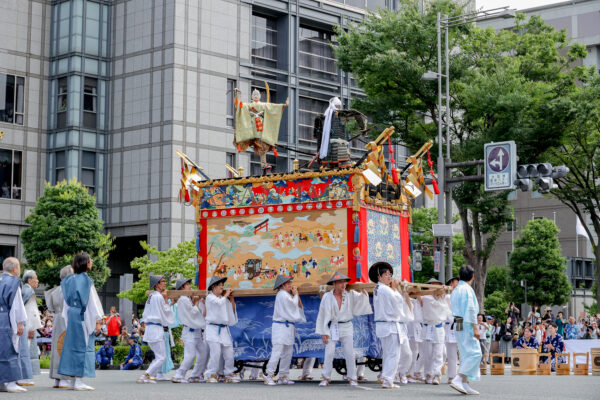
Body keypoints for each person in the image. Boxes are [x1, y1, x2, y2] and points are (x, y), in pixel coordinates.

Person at [315, 272, 371, 387]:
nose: (343, 284)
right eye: (340, 282)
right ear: (334, 284)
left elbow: (362, 297)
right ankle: (326, 377)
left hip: (347, 325)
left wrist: (362, 290)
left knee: (349, 353)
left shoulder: (350, 294)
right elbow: (322, 314)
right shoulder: (327, 296)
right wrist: (323, 332)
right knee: (329, 352)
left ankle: (352, 377)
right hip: (333, 326)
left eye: (344, 282)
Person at [57, 252, 104, 391]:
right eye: (90, 260)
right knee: (82, 346)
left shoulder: (69, 280)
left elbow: (66, 302)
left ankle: (72, 380)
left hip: (72, 313)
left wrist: (68, 316)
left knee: (71, 346)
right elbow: (92, 302)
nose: (92, 262)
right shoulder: (86, 280)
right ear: (86, 263)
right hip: (82, 315)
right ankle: (78, 380)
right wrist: (97, 320)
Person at [369, 262, 413, 389]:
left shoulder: (378, 288)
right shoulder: (384, 289)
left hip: (384, 326)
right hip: (390, 325)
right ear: (379, 277)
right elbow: (397, 302)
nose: (389, 277)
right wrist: (395, 289)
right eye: (386, 274)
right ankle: (388, 379)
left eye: (390, 274)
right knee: (393, 354)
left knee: (388, 353)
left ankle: (385, 377)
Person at [264, 275, 306, 386]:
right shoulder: (282, 294)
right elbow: (293, 304)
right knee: (277, 352)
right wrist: (296, 294)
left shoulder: (286, 295)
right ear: (282, 285)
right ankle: (269, 375)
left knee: (287, 352)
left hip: (288, 327)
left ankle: (284, 375)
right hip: (280, 327)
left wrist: (295, 295)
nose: (290, 285)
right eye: (288, 283)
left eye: (290, 283)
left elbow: (296, 305)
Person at [449, 265, 482, 396]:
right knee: (475, 353)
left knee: (465, 353)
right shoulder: (467, 289)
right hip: (466, 322)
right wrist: (475, 327)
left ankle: (465, 382)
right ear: (472, 277)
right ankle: (459, 378)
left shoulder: (456, 289)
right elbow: (471, 309)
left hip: (458, 322)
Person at [137, 275, 175, 384]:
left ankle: (154, 374)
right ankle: (146, 375)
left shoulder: (152, 296)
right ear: (157, 284)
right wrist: (166, 300)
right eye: (163, 281)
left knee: (159, 356)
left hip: (150, 328)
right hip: (156, 329)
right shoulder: (158, 297)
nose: (165, 283)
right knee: (162, 357)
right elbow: (166, 312)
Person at [171, 278, 209, 383]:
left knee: (203, 353)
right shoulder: (183, 299)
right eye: (187, 284)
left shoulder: (187, 299)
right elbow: (192, 313)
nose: (189, 286)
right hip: (189, 331)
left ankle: (195, 375)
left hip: (196, 331)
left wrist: (195, 302)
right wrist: (196, 303)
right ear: (182, 287)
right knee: (190, 355)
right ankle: (179, 375)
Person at [0, 257, 29, 392]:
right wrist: (20, 323)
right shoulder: (13, 282)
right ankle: (11, 382)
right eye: (19, 267)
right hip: (7, 317)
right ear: (14, 269)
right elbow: (17, 305)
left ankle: (1, 383)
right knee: (11, 348)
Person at [204, 276, 238, 383]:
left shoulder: (223, 299)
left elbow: (231, 312)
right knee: (216, 353)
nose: (222, 288)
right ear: (213, 287)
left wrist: (231, 299)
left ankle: (228, 373)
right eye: (220, 286)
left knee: (229, 352)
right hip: (213, 328)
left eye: (223, 286)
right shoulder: (210, 297)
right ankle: (211, 374)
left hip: (223, 329)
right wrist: (226, 295)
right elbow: (219, 303)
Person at [44, 265, 74, 389]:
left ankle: (56, 379)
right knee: (64, 347)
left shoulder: (55, 290)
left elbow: (50, 307)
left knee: (57, 347)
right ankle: (63, 378)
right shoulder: (69, 289)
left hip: (56, 318)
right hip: (66, 318)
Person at [421, 278, 451, 385]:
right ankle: (428, 374)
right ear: (428, 286)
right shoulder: (425, 297)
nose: (435, 286)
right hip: (428, 326)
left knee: (439, 352)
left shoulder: (443, 299)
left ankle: (436, 375)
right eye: (433, 284)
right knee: (428, 353)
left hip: (439, 327)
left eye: (437, 285)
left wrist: (442, 294)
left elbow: (448, 311)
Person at [20, 270, 42, 385]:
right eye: (36, 278)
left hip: (25, 325)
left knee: (25, 351)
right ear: (30, 280)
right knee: (25, 351)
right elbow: (31, 312)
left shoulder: (24, 290)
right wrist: (32, 328)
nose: (37, 281)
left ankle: (23, 377)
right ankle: (22, 378)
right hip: (28, 326)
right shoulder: (29, 291)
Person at [444, 276, 459, 384]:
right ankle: (451, 376)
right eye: (455, 283)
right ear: (451, 284)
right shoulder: (447, 297)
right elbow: (446, 311)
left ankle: (460, 375)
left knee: (461, 352)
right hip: (450, 324)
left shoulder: (462, 296)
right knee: (451, 353)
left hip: (460, 323)